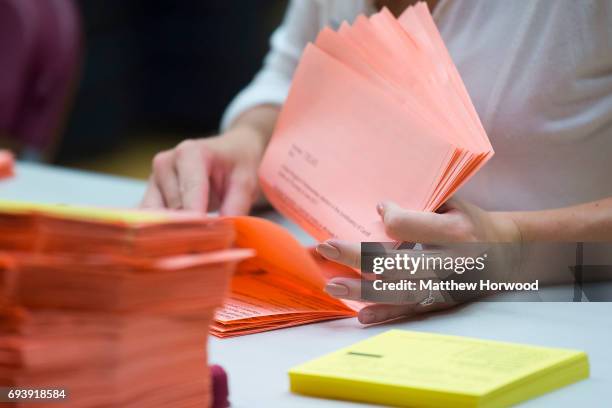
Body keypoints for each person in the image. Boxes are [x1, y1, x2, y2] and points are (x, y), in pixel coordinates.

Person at [141, 0, 612, 323]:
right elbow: (291, 68)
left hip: (575, 315)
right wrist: (248, 140)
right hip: (362, 314)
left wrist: (515, 245)